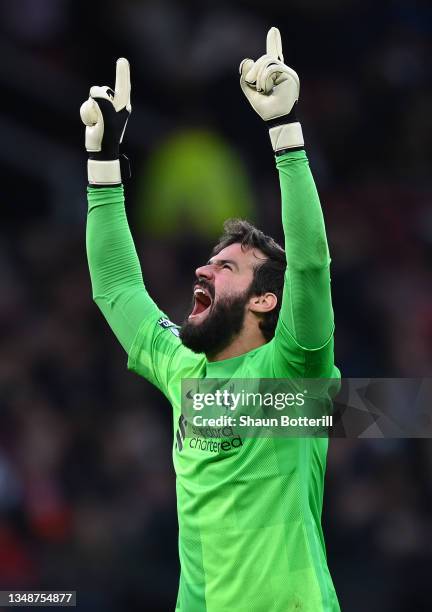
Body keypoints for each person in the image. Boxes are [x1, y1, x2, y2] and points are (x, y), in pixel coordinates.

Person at [81, 27, 340, 612]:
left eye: (226, 267)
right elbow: (116, 287)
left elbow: (312, 266)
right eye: (209, 260)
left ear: (264, 301)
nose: (203, 269)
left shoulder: (294, 370)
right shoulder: (181, 367)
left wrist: (285, 133)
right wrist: (102, 165)